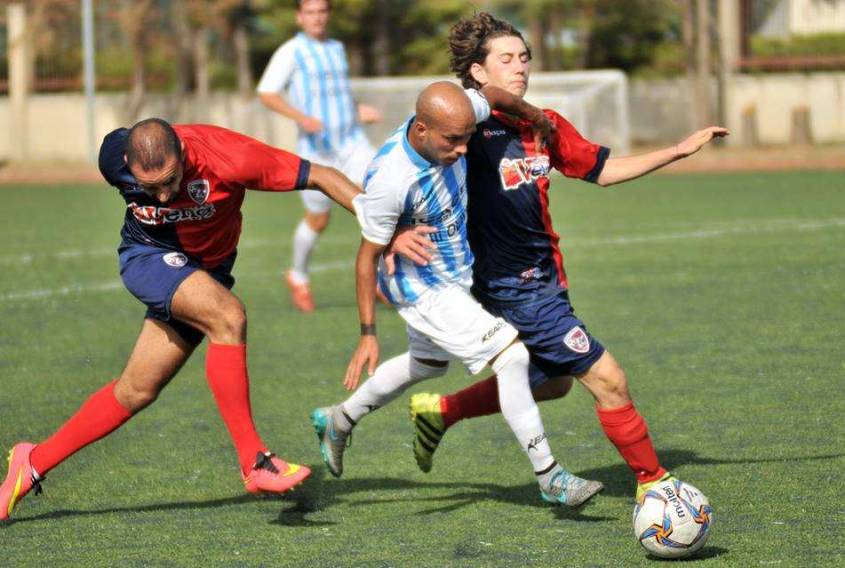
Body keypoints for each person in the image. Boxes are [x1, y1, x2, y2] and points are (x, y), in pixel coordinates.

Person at [397, 12, 729, 503]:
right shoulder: (464, 127)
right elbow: (409, 166)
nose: (520, 67)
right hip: (511, 286)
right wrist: (395, 233)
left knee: (553, 383)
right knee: (608, 378)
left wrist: (677, 151)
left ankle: (440, 412)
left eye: (524, 57)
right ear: (478, 71)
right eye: (506, 59)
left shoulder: (543, 125)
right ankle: (656, 485)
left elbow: (603, 169)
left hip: (544, 280)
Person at [0, 119, 363, 520]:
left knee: (136, 390)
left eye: (169, 181)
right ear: (127, 163)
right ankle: (255, 461)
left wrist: (389, 231)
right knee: (228, 316)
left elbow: (323, 176)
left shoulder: (232, 156)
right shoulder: (113, 157)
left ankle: (31, 462)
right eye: (148, 187)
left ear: (183, 154)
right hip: (149, 258)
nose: (161, 194)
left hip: (207, 271)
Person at [309, 81, 604, 507]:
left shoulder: (457, 115)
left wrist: (535, 115)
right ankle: (550, 475)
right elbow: (364, 258)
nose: (464, 149)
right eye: (453, 140)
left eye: (468, 137)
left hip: (454, 276)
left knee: (426, 365)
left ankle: (339, 419)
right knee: (512, 355)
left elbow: (496, 96)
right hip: (422, 288)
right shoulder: (392, 177)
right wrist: (368, 332)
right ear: (423, 130)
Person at [258, 0, 382, 312]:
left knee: (379, 199)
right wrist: (300, 117)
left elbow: (338, 92)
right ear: (300, 17)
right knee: (319, 218)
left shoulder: (337, 48)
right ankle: (298, 276)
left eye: (322, 11)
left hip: (352, 142)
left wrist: (356, 109)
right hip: (317, 150)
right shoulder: (292, 51)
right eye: (310, 12)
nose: (317, 17)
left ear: (328, 15)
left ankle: (382, 279)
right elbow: (267, 93)